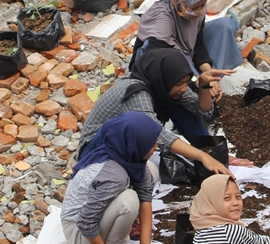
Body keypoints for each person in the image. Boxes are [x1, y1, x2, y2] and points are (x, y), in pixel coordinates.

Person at [76, 49, 232, 177]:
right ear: (163, 77)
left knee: (177, 103)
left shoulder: (165, 85)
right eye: (179, 83)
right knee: (145, 131)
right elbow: (156, 133)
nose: (184, 88)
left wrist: (204, 85)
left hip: (123, 145)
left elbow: (204, 113)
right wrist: (201, 156)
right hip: (94, 152)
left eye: (186, 82)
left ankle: (208, 147)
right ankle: (205, 153)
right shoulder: (136, 92)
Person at [61, 112, 161, 244]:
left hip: (90, 218)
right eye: (151, 144)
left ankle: (120, 228)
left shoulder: (124, 154)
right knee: (128, 201)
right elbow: (86, 223)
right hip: (78, 232)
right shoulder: (115, 176)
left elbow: (146, 196)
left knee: (151, 170)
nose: (156, 146)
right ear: (134, 145)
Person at [133, 0, 244, 101]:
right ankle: (192, 85)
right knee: (179, 58)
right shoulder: (160, 22)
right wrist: (196, 80)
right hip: (161, 62)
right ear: (179, 2)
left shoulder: (197, 10)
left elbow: (197, 44)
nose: (199, 11)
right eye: (193, 8)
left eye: (202, 6)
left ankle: (214, 77)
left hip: (184, 52)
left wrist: (208, 72)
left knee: (224, 25)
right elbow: (165, 61)